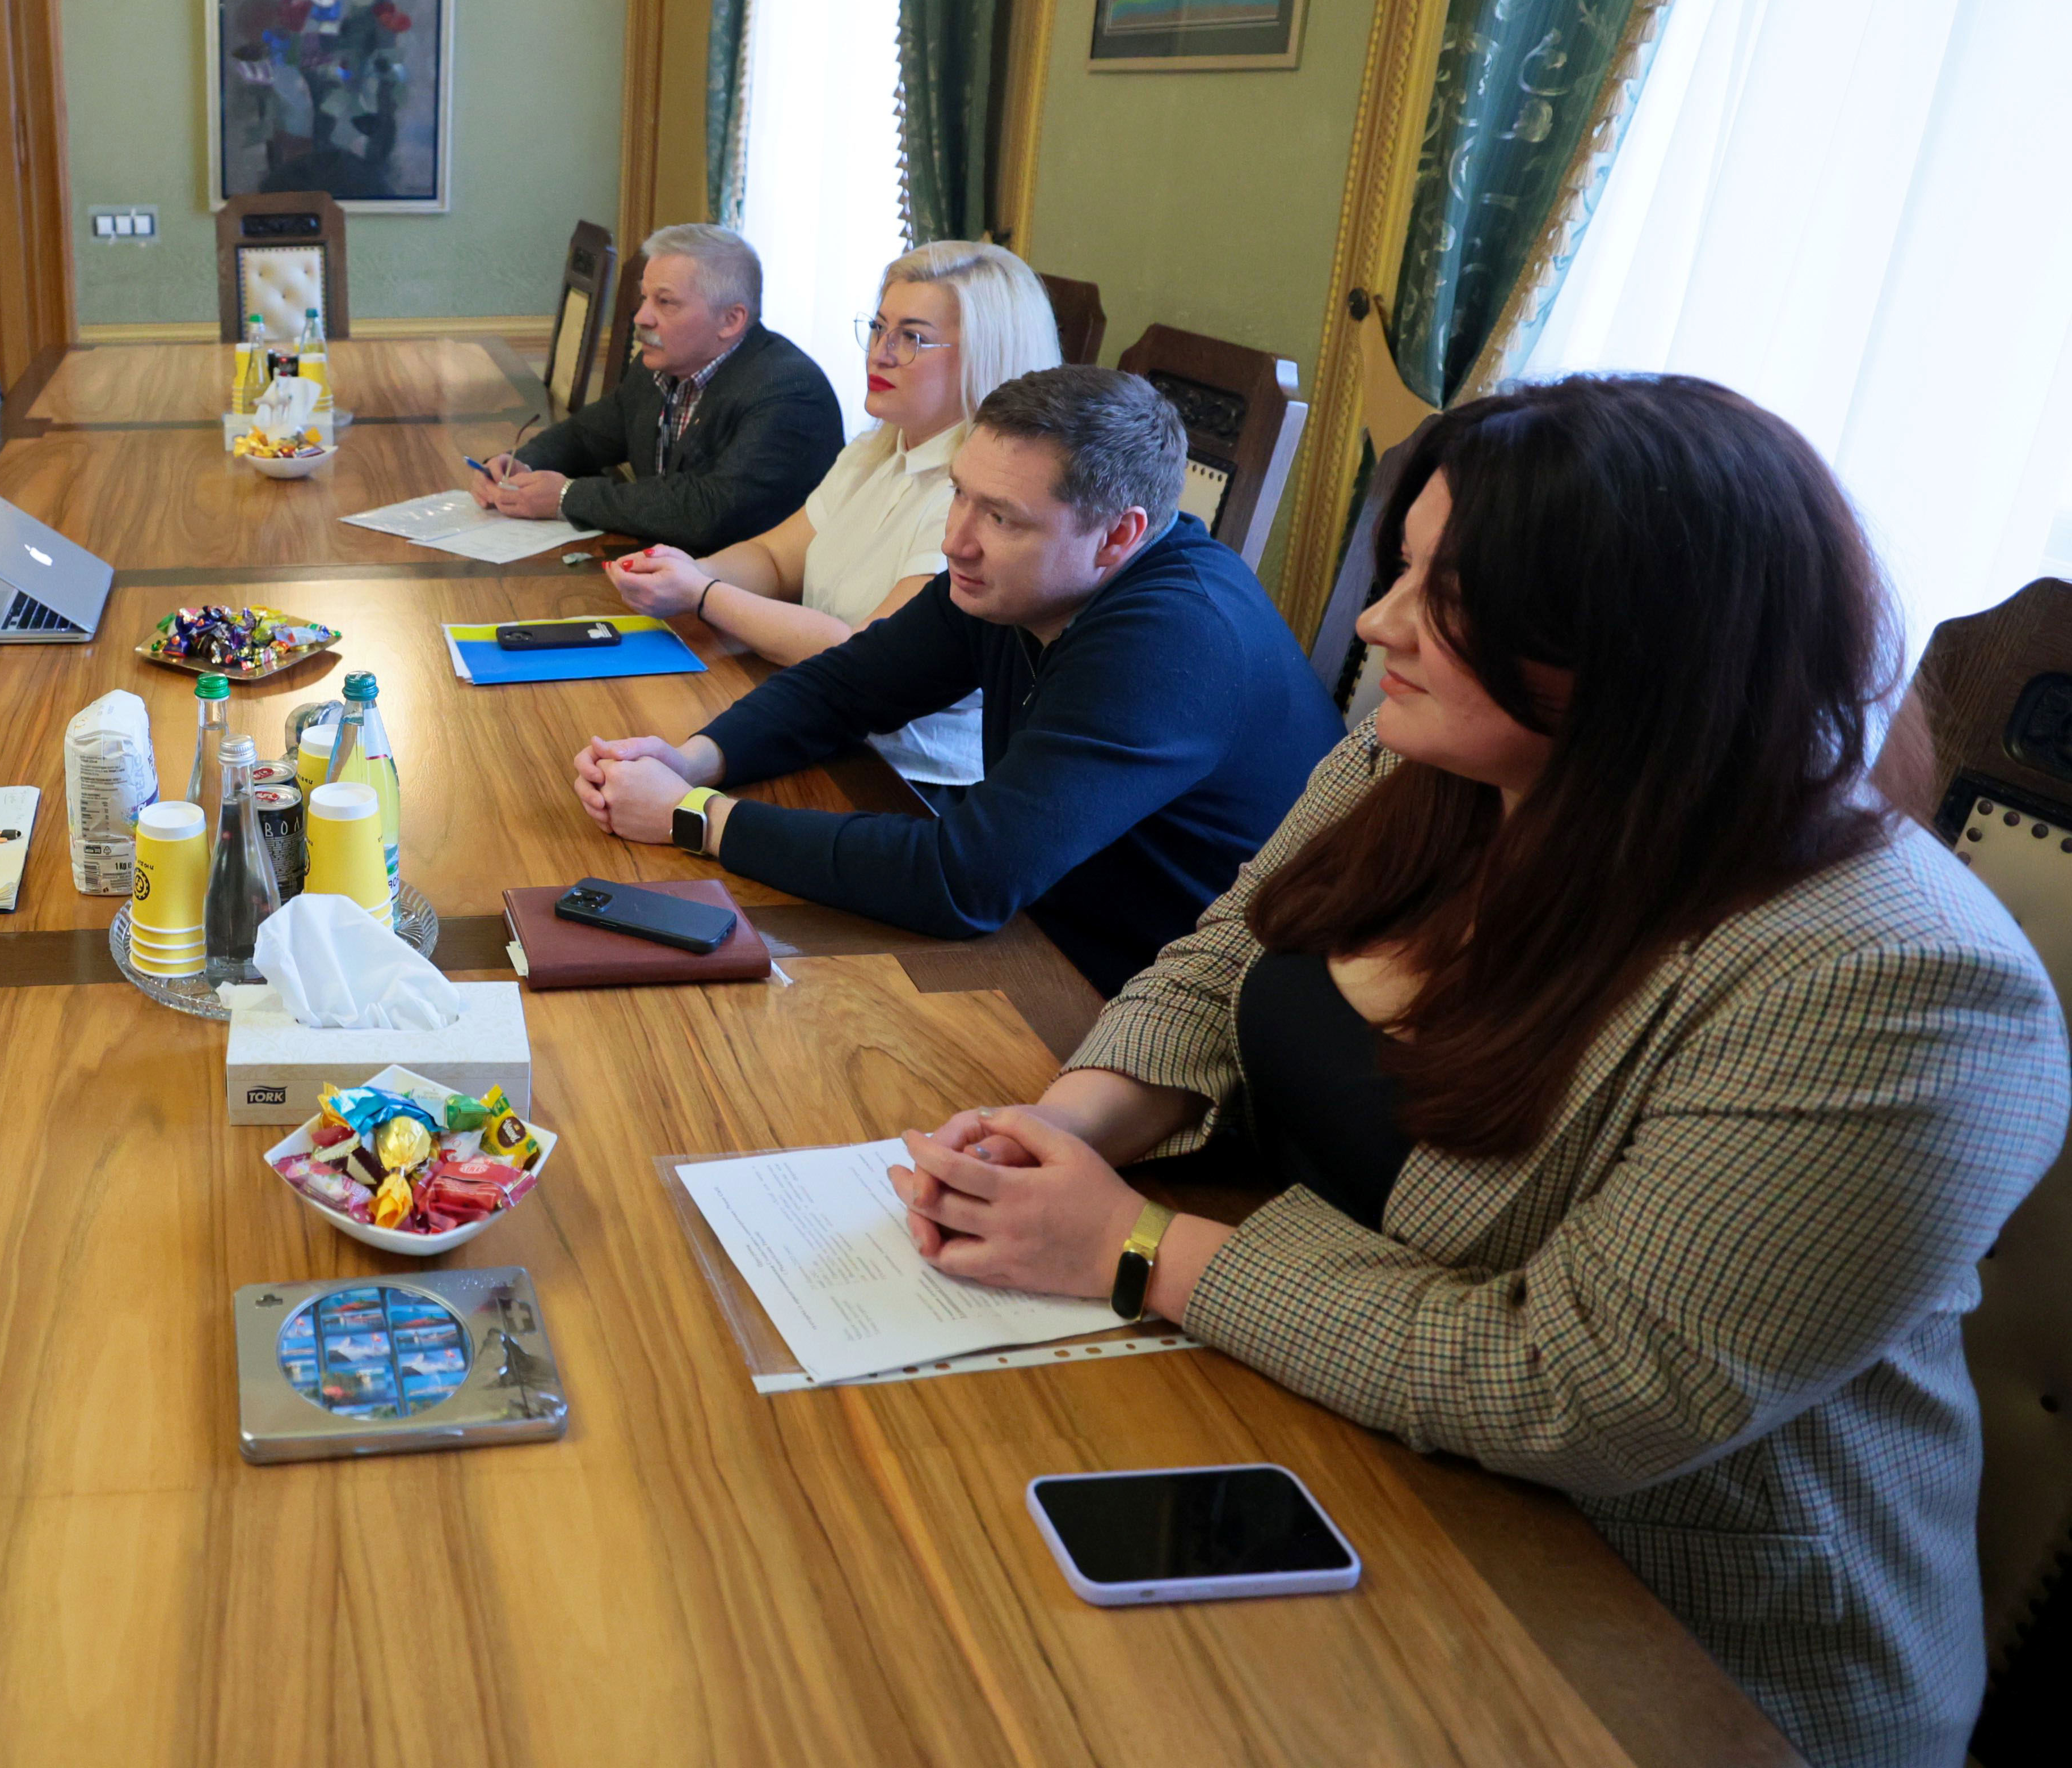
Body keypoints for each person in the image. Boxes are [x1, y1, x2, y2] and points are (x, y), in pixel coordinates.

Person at [890, 376, 2067, 1768]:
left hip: (1649, 1637)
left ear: (1644, 645)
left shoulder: (1891, 979)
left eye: (1449, 598)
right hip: (1339, 1434)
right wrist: (1063, 1130)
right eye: (1402, 570)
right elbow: (1223, 960)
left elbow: (1586, 1383)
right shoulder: (1427, 758)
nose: (1377, 623)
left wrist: (1133, 1242)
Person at [572, 364, 1340, 994]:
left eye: (1002, 517)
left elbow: (963, 880)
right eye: (958, 494)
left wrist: (692, 817)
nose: (955, 542)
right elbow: (848, 685)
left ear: (1118, 537)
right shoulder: (1016, 580)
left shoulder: (1172, 643)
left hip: (1169, 1002)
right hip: (1048, 928)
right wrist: (692, 760)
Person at [603, 241, 1060, 789]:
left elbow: (861, 655)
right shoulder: (875, 450)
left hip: (904, 778)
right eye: (879, 329)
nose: (880, 354)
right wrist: (688, 570)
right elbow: (774, 558)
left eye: (912, 338)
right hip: (817, 723)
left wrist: (703, 594)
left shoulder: (978, 500)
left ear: (988, 356)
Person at [469, 222, 844, 555]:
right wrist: (521, 464)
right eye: (644, 298)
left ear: (731, 320)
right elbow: (587, 436)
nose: (641, 317)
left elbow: (712, 511)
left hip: (748, 596)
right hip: (669, 572)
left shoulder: (789, 393)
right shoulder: (659, 367)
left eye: (665, 303)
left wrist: (567, 497)